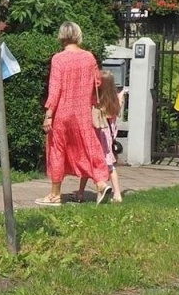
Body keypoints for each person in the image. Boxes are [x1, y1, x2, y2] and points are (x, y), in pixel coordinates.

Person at [39, 21, 113, 206]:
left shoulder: (58, 59)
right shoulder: (89, 57)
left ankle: (55, 195)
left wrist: (49, 114)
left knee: (57, 150)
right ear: (78, 35)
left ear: (61, 36)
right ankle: (101, 183)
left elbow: (55, 89)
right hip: (83, 113)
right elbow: (98, 82)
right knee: (89, 148)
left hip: (62, 114)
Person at [95, 71, 126, 204]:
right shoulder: (115, 101)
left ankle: (82, 191)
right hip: (109, 137)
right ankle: (117, 193)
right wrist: (122, 95)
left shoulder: (99, 101)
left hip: (100, 135)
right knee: (109, 165)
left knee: (97, 163)